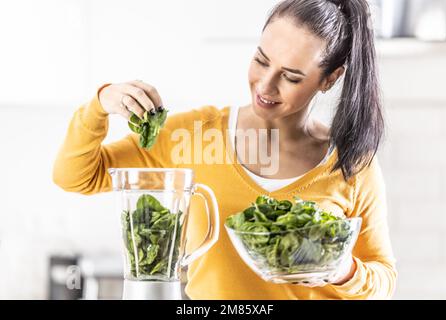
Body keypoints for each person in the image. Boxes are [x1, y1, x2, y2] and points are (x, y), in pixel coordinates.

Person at [53, 0, 397, 299]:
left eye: (291, 77)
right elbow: (77, 177)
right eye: (261, 60)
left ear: (329, 79)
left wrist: (339, 268)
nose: (265, 85)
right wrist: (100, 105)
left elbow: (383, 280)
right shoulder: (193, 135)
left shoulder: (353, 164)